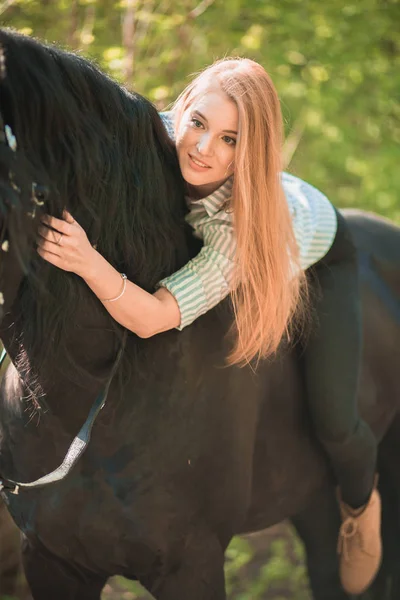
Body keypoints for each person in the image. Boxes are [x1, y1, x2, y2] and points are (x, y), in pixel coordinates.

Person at [36, 57, 381, 594]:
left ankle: (362, 507)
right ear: (182, 110)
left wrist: (86, 261)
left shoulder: (238, 227)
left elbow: (153, 318)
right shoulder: (156, 133)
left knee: (337, 418)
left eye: (230, 140)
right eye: (198, 123)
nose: (203, 148)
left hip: (318, 245)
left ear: (251, 151)